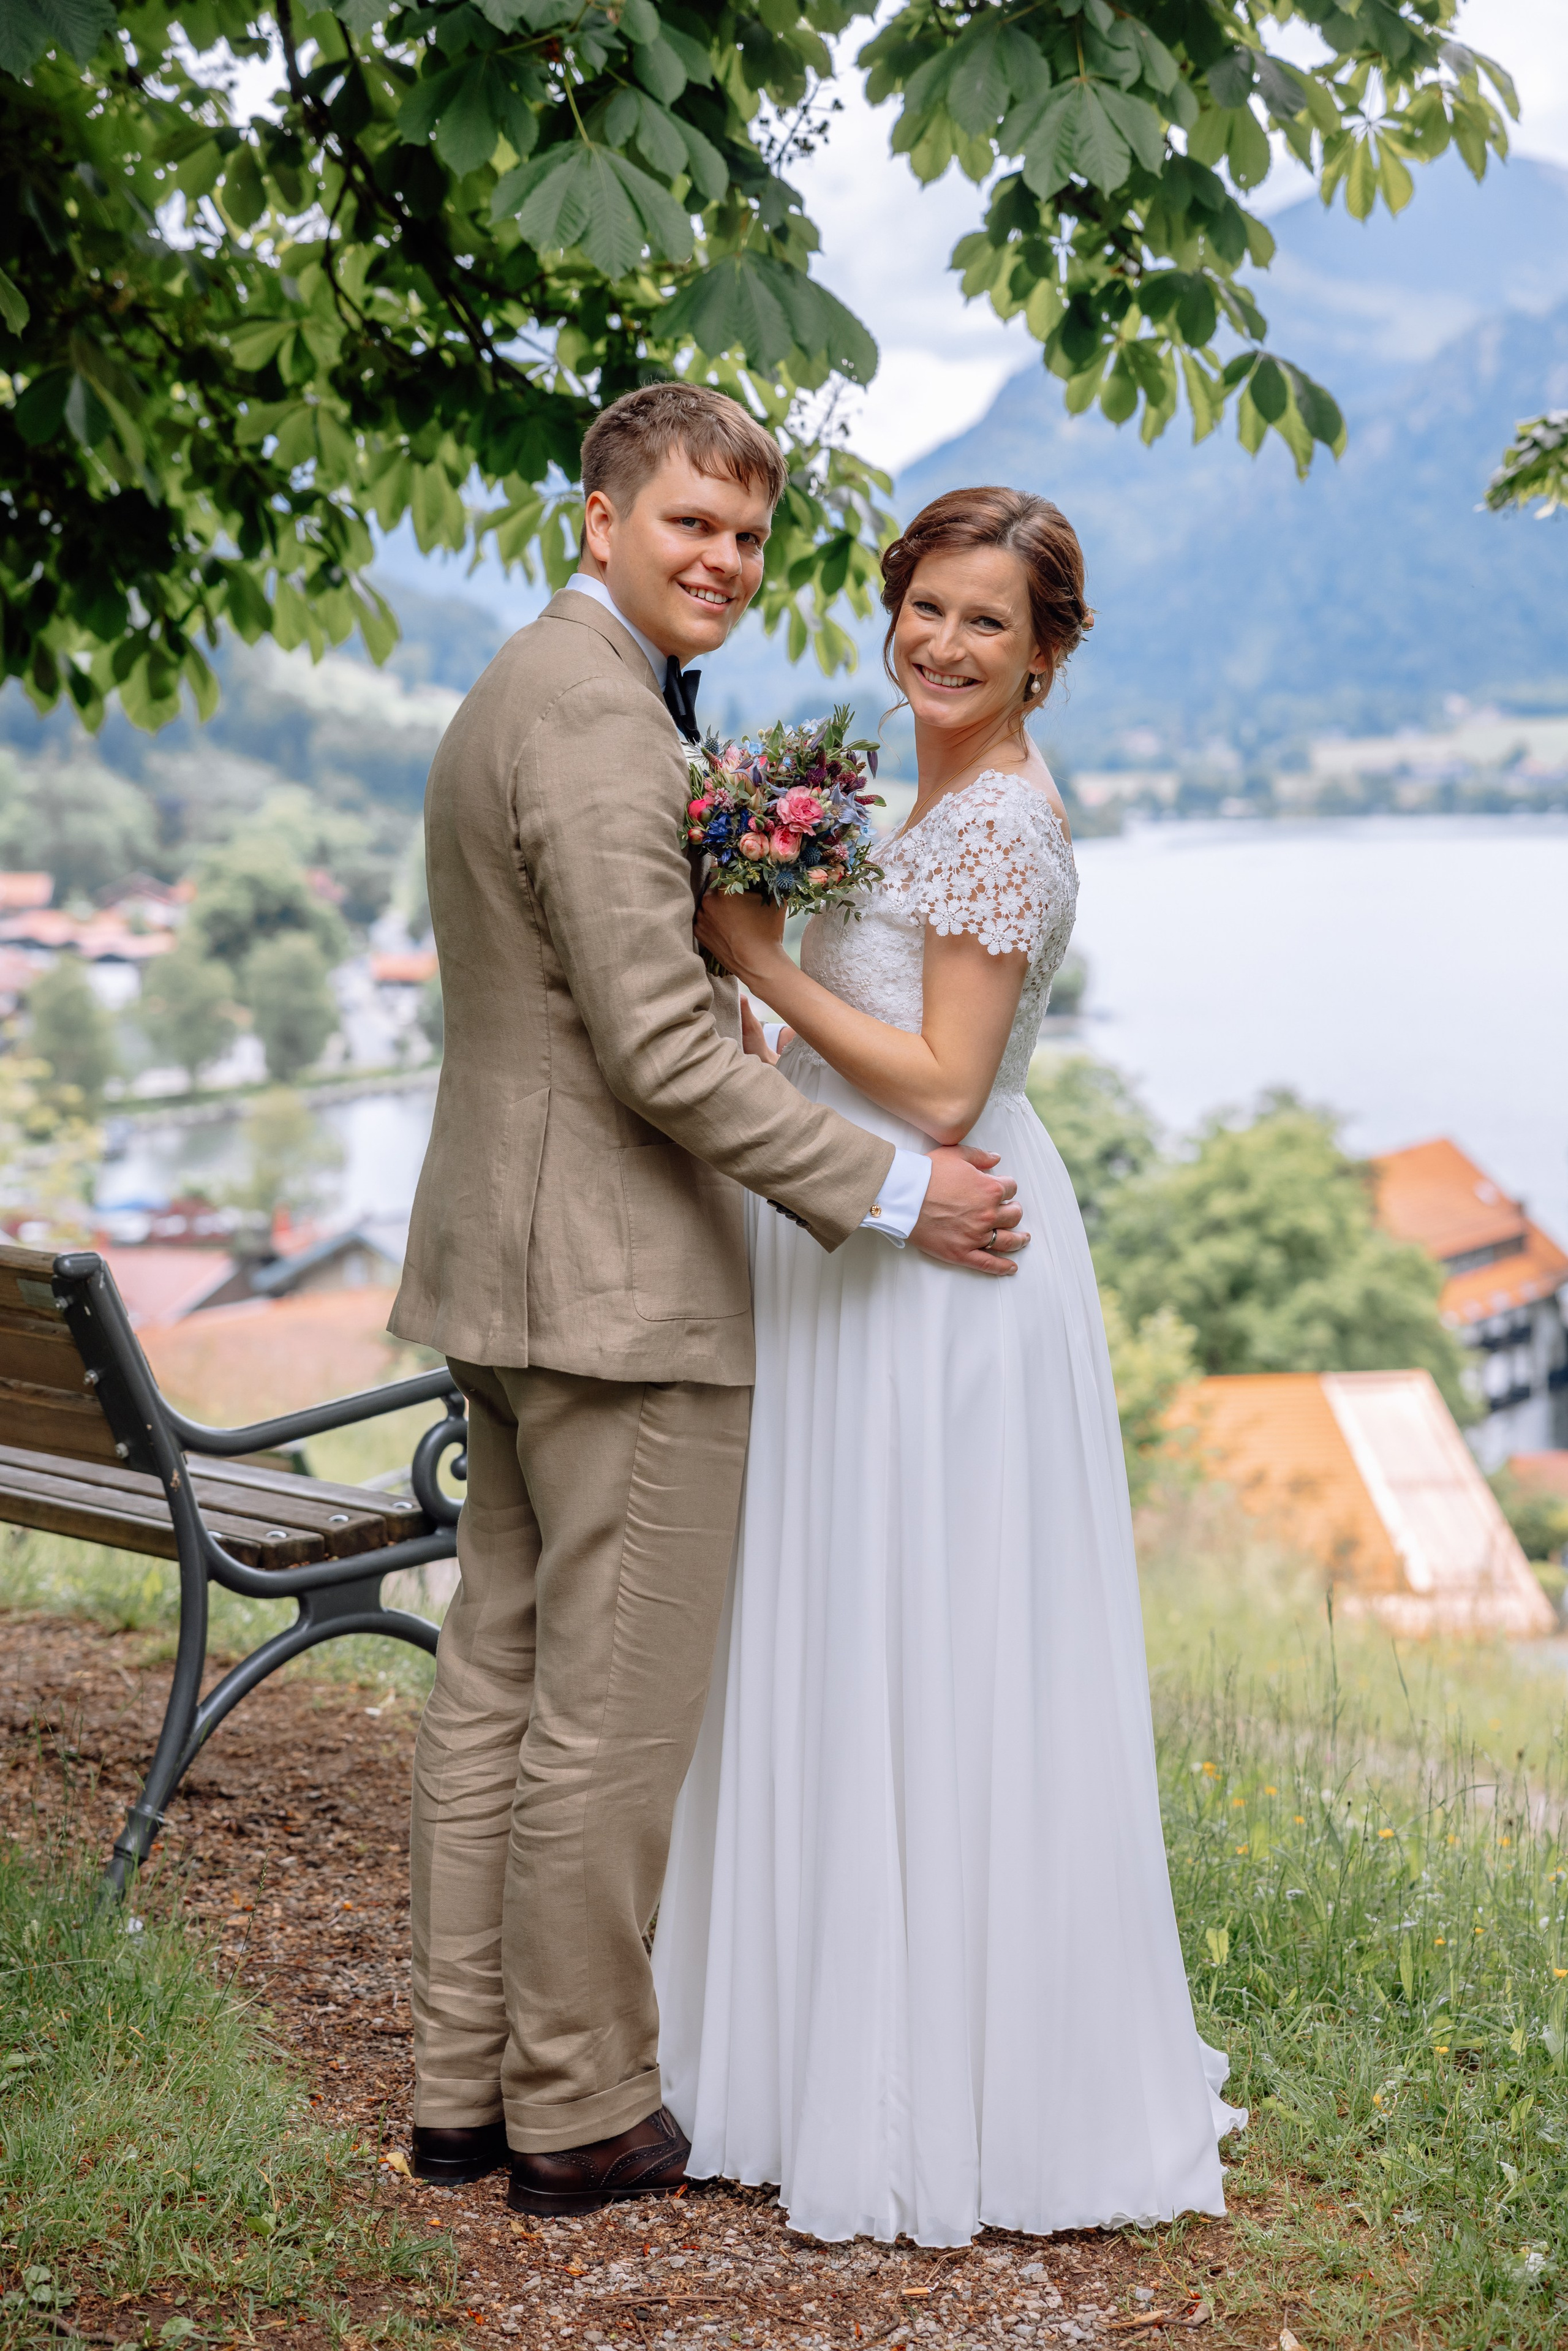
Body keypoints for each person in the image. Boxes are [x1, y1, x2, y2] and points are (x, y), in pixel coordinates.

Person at [388, 388, 1026, 2217]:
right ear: (596, 521)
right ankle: (580, 2109)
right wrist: (899, 1190)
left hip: (510, 1278)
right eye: (688, 526)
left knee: (497, 1686)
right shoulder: (596, 726)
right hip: (617, 1291)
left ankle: (462, 2092)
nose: (722, 564)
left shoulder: (528, 689)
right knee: (607, 1717)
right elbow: (665, 1052)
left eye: (745, 537)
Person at [654, 486, 1246, 2247]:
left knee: (934, 1638)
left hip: (939, 1255)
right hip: (855, 1233)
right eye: (925, 606)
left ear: (1046, 655)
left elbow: (938, 1090)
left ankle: (961, 2083)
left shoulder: (998, 825)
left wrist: (750, 950)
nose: (944, 642)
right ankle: (808, 2046)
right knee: (839, 1623)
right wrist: (769, 1001)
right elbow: (866, 1051)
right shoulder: (908, 791)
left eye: (988, 623)